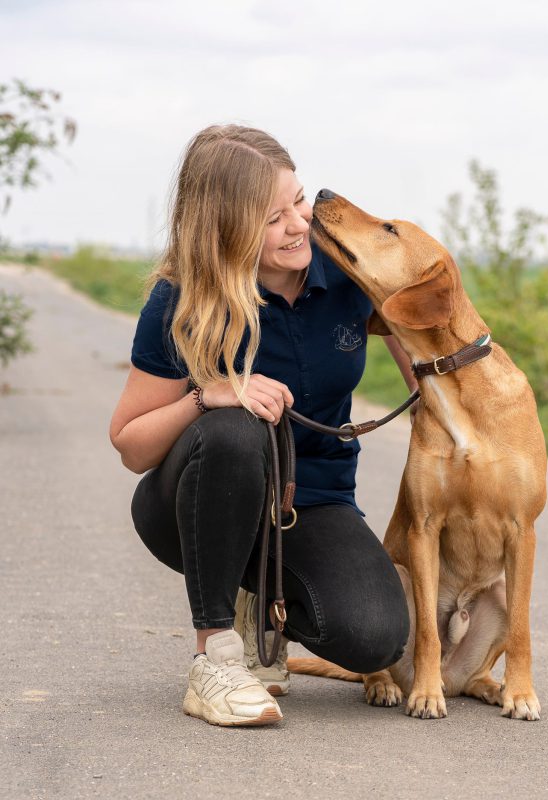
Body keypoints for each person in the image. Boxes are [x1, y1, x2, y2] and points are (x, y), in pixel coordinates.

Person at [109, 124, 416, 728]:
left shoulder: (350, 270)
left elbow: (427, 370)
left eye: (298, 200)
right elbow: (131, 445)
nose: (300, 224)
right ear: (223, 228)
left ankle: (262, 600)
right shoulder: (181, 299)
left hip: (312, 503)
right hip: (190, 506)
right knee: (235, 426)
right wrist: (210, 395)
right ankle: (215, 657)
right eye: (272, 218)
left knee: (376, 638)